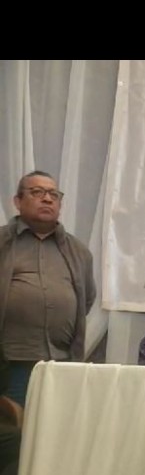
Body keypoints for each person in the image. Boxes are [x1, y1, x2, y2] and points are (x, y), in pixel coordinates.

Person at [0, 170, 96, 407]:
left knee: (55, 425)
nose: (47, 198)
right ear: (17, 201)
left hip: (60, 364)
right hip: (10, 363)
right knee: (13, 428)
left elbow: (86, 300)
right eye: (37, 192)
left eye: (54, 194)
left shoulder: (78, 251)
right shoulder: (3, 243)